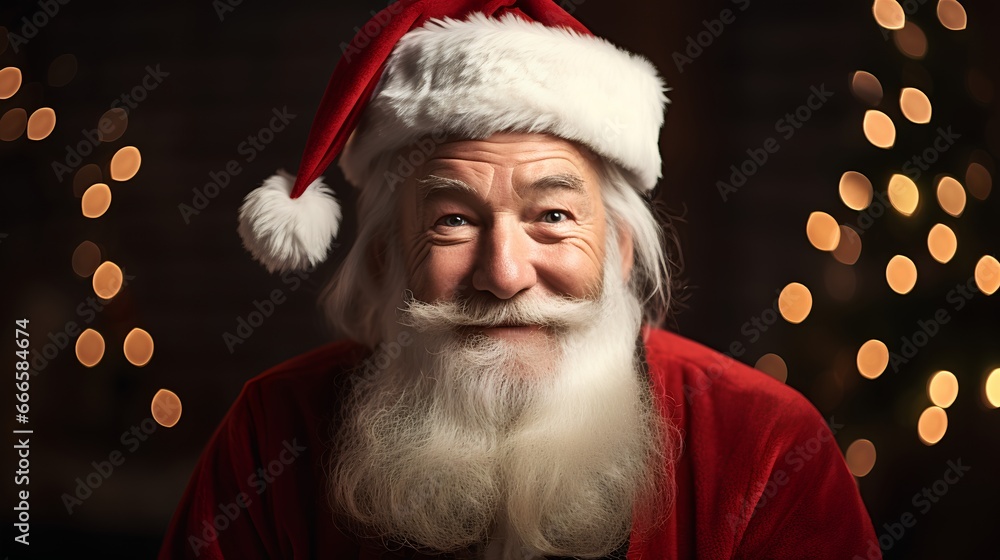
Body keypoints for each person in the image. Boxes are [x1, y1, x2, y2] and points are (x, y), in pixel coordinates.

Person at [159, 1, 879, 558]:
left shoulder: (767, 448)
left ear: (621, 249)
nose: (503, 274)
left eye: (554, 216)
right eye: (452, 222)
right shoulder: (270, 438)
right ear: (385, 258)